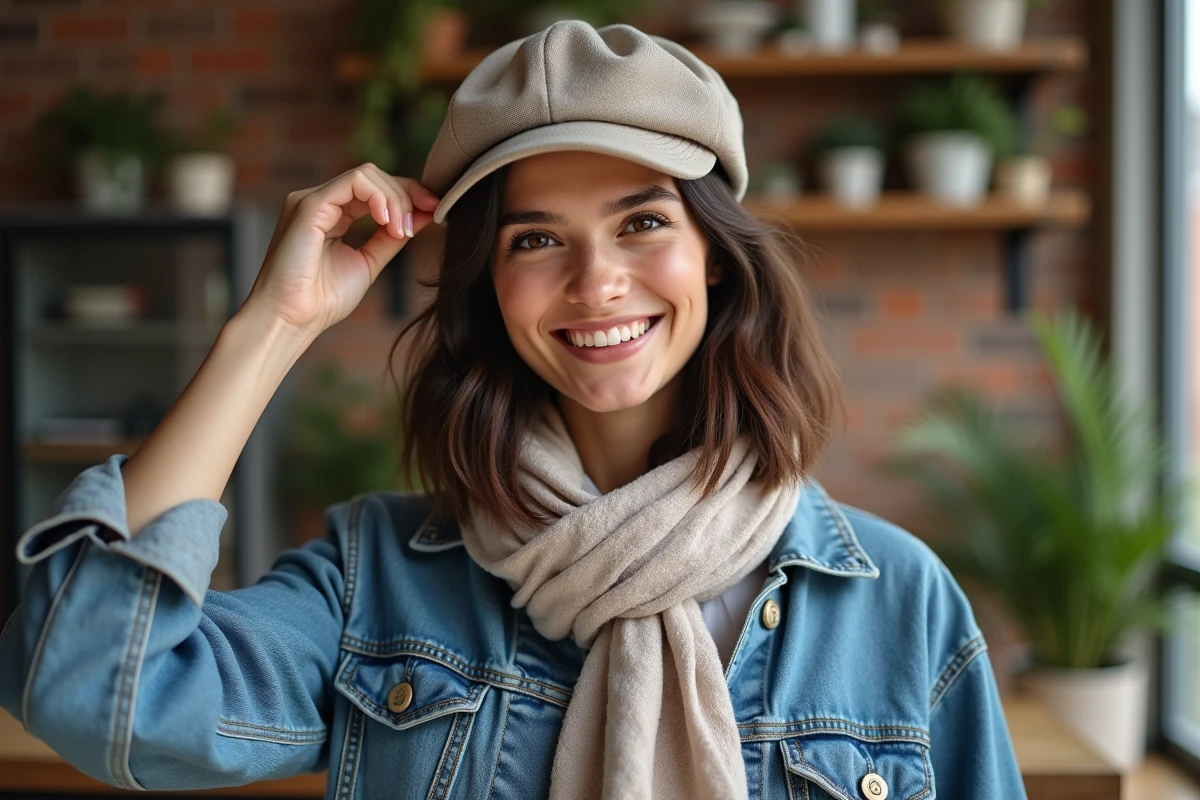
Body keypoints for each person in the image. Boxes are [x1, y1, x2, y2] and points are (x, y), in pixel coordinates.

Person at [0, 19, 1027, 800]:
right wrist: (272, 325)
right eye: (535, 239)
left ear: (713, 254)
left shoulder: (898, 602)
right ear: (490, 284)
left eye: (642, 222)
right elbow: (99, 689)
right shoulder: (378, 581)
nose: (596, 281)